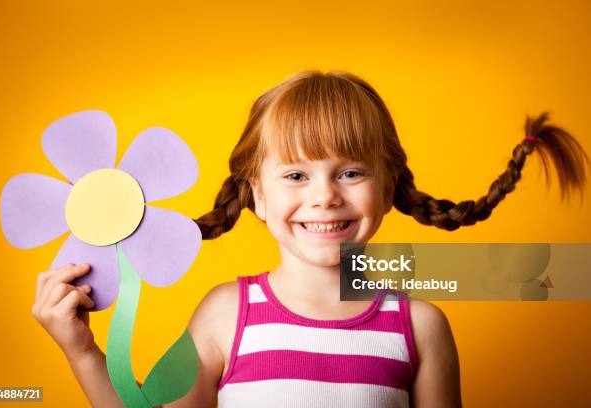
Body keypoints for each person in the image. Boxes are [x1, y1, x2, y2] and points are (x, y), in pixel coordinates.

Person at [32, 70, 588, 407]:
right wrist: (82, 352)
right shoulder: (226, 314)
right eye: (296, 175)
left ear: (389, 185)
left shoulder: (421, 328)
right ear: (257, 194)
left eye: (350, 172)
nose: (325, 196)